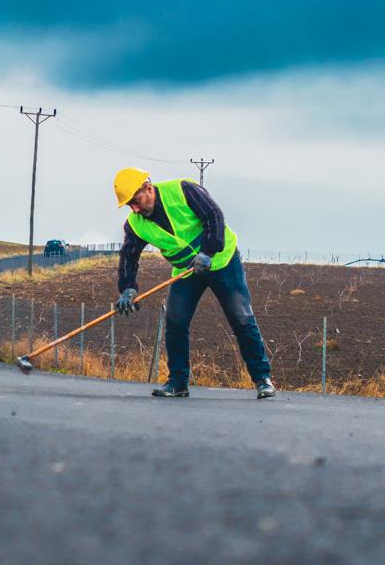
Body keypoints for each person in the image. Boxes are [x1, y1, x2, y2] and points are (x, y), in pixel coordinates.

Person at [112, 168, 276, 399]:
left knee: (241, 318)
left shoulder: (183, 190)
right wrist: (128, 288)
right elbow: (129, 256)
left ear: (148, 188)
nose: (135, 209)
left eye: (136, 201)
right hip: (186, 271)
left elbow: (214, 216)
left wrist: (208, 251)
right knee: (175, 321)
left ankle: (262, 380)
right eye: (130, 205)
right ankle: (177, 383)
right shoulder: (135, 224)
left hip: (221, 261)